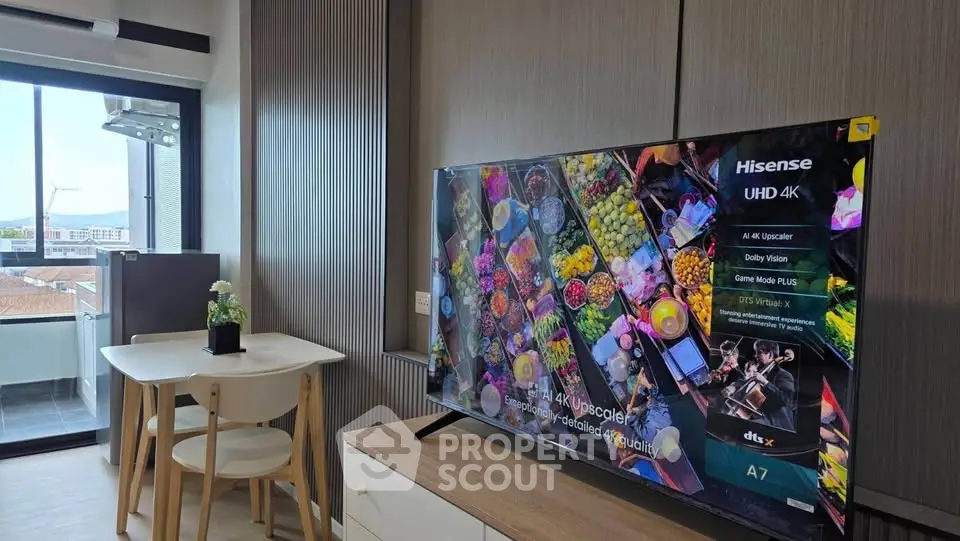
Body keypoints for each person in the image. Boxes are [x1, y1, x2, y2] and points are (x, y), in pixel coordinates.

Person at [743, 340, 796, 431]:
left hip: (776, 423)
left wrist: (765, 382)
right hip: (762, 418)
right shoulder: (761, 373)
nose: (755, 356)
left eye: (759, 352)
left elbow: (787, 400)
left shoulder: (784, 375)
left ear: (770, 355)